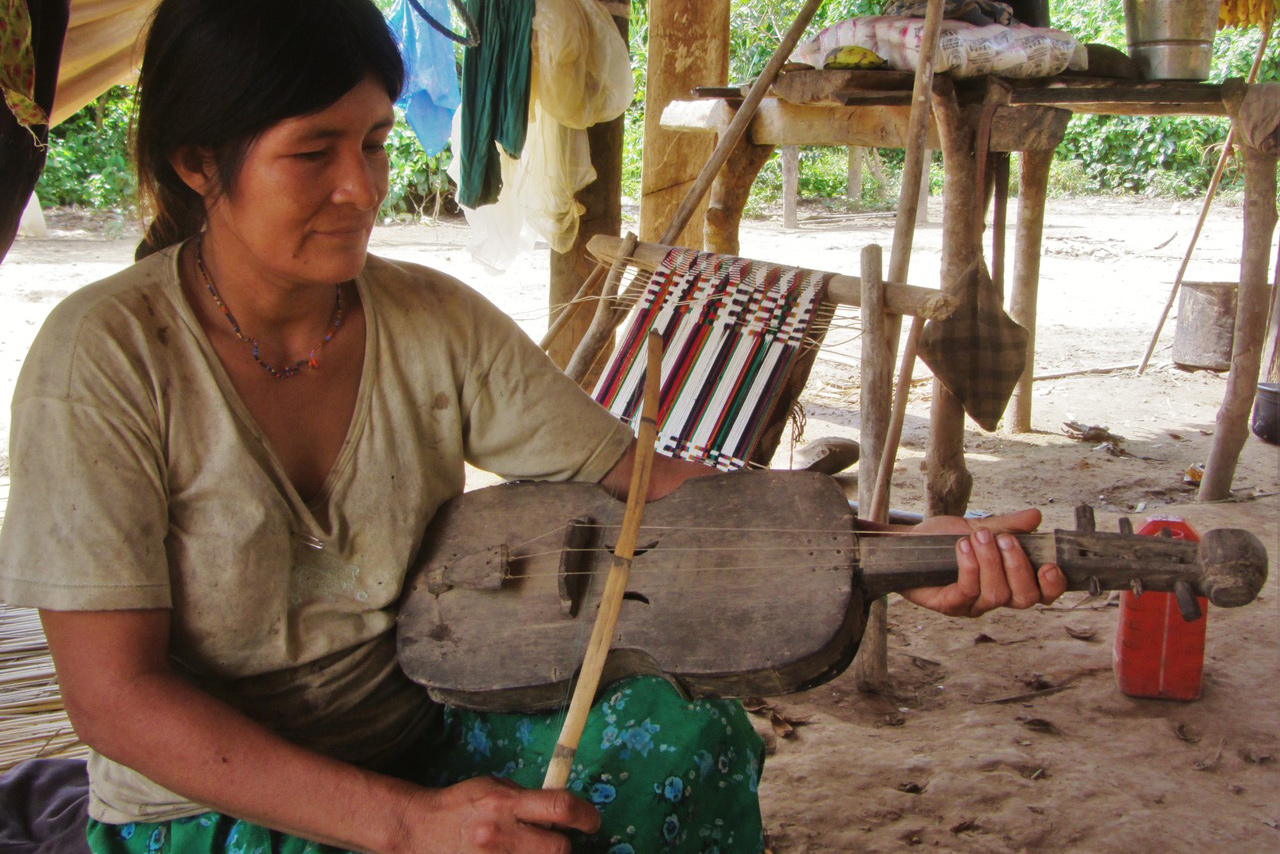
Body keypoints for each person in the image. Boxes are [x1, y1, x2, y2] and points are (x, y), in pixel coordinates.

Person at [0, 1, 1067, 852]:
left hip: (414, 728)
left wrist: (883, 552)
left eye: (373, 142)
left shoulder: (429, 320)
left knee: (686, 740)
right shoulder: (104, 361)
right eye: (311, 152)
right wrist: (407, 824)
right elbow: (117, 699)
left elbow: (643, 481)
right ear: (198, 165)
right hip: (207, 805)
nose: (359, 188)